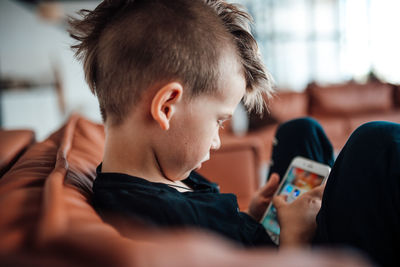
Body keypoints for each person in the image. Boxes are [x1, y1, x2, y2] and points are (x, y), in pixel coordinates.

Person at [69, 0, 400, 266]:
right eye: (219, 120)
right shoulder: (152, 220)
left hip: (270, 238)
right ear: (167, 106)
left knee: (302, 131)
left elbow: (219, 232)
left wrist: (252, 216)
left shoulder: (161, 178)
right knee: (375, 144)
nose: (217, 140)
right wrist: (295, 236)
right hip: (295, 252)